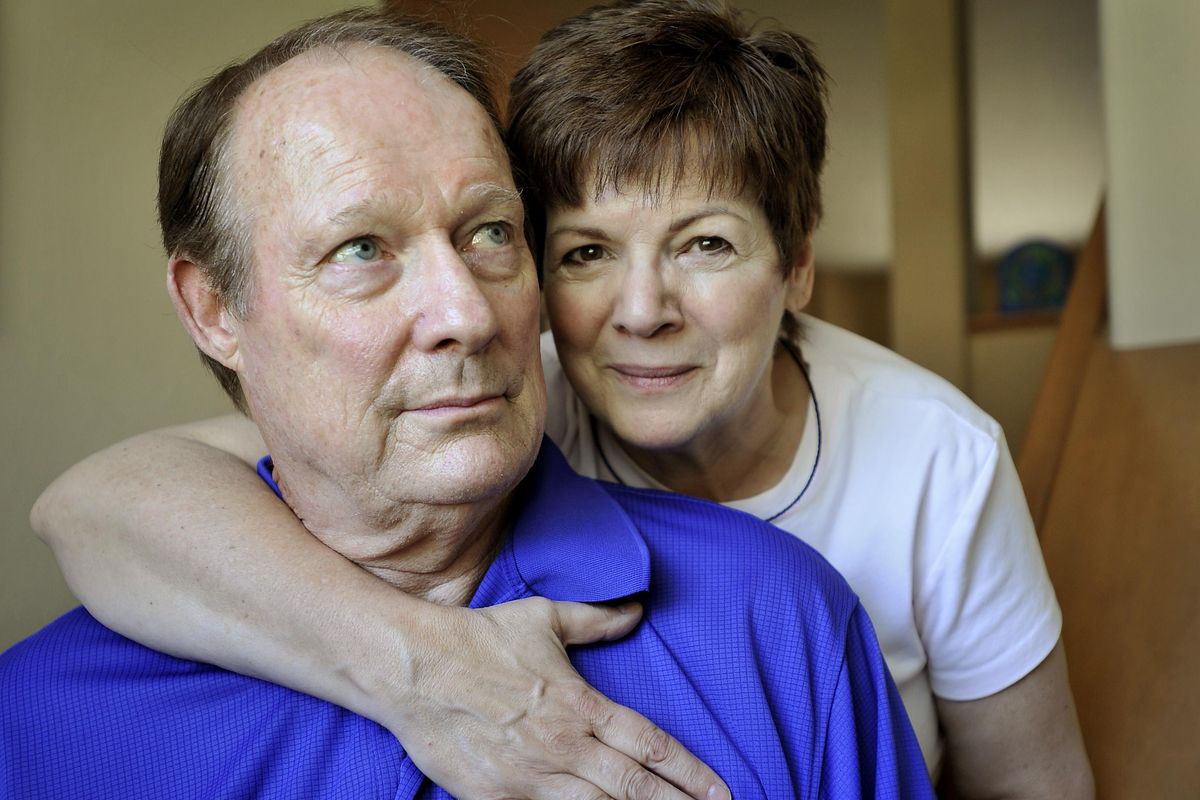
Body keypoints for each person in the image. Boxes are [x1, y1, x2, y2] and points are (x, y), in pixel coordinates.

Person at [30, 0, 1092, 797]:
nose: (640, 311)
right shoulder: (490, 378)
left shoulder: (914, 480)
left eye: (707, 244)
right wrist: (416, 663)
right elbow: (104, 499)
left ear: (797, 264)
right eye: (583, 251)